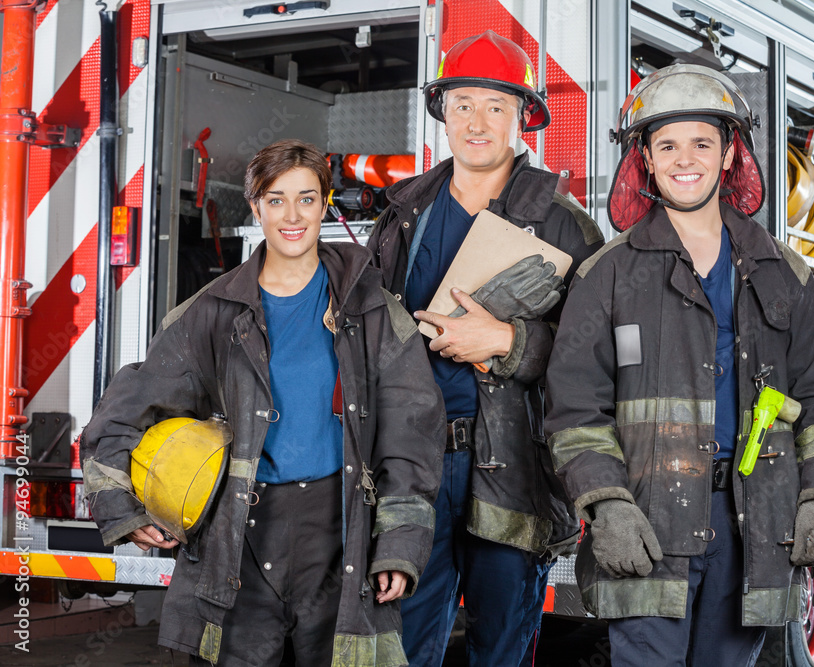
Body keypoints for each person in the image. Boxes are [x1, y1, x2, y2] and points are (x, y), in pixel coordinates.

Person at [80, 139, 445, 666]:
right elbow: (121, 413)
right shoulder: (212, 313)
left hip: (340, 536)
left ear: (325, 205)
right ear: (255, 208)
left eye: (306, 199)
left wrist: (398, 544)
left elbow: (412, 434)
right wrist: (121, 509)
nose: (292, 216)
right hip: (239, 540)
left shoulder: (373, 311)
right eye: (276, 200)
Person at [544, 64, 814, 666]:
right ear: (645, 159)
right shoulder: (607, 274)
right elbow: (575, 407)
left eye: (702, 144)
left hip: (753, 523)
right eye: (667, 146)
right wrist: (607, 502)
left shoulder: (783, 273)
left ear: (730, 153)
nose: (685, 160)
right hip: (648, 520)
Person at [366, 30, 604, 667]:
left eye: (495, 106)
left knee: (501, 651)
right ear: (441, 113)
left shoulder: (566, 225)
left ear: (522, 117)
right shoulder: (402, 217)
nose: (477, 122)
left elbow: (598, 360)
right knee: (402, 649)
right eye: (463, 104)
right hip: (414, 469)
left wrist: (507, 340)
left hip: (514, 470)